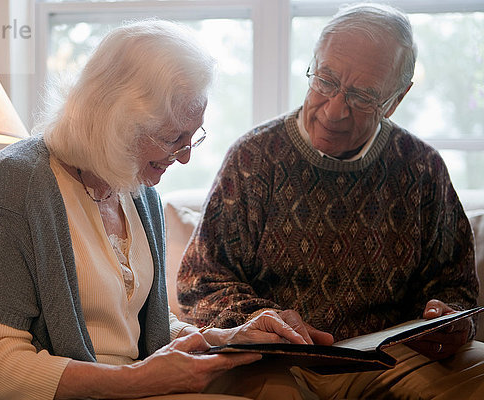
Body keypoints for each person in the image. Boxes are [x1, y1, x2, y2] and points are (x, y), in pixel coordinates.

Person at [0, 20, 318, 400]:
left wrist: (224, 337)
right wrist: (139, 380)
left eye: (193, 137)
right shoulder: (12, 184)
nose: (185, 158)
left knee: (283, 386)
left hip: (130, 386)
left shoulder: (137, 189)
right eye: (173, 139)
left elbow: (141, 327)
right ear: (117, 122)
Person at [178, 3, 484, 399]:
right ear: (313, 64)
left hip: (393, 360)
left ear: (395, 100)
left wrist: (450, 321)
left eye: (361, 96)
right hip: (280, 361)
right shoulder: (254, 158)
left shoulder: (422, 168)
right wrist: (259, 318)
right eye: (325, 80)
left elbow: (456, 288)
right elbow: (200, 282)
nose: (334, 110)